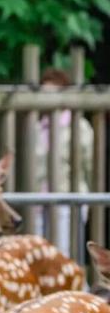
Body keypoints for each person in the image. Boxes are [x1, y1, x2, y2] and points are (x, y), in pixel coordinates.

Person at [34, 67, 93, 255]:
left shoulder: (80, 127)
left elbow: (89, 167)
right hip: (39, 202)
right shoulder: (37, 127)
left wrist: (86, 200)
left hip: (67, 201)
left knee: (65, 255)